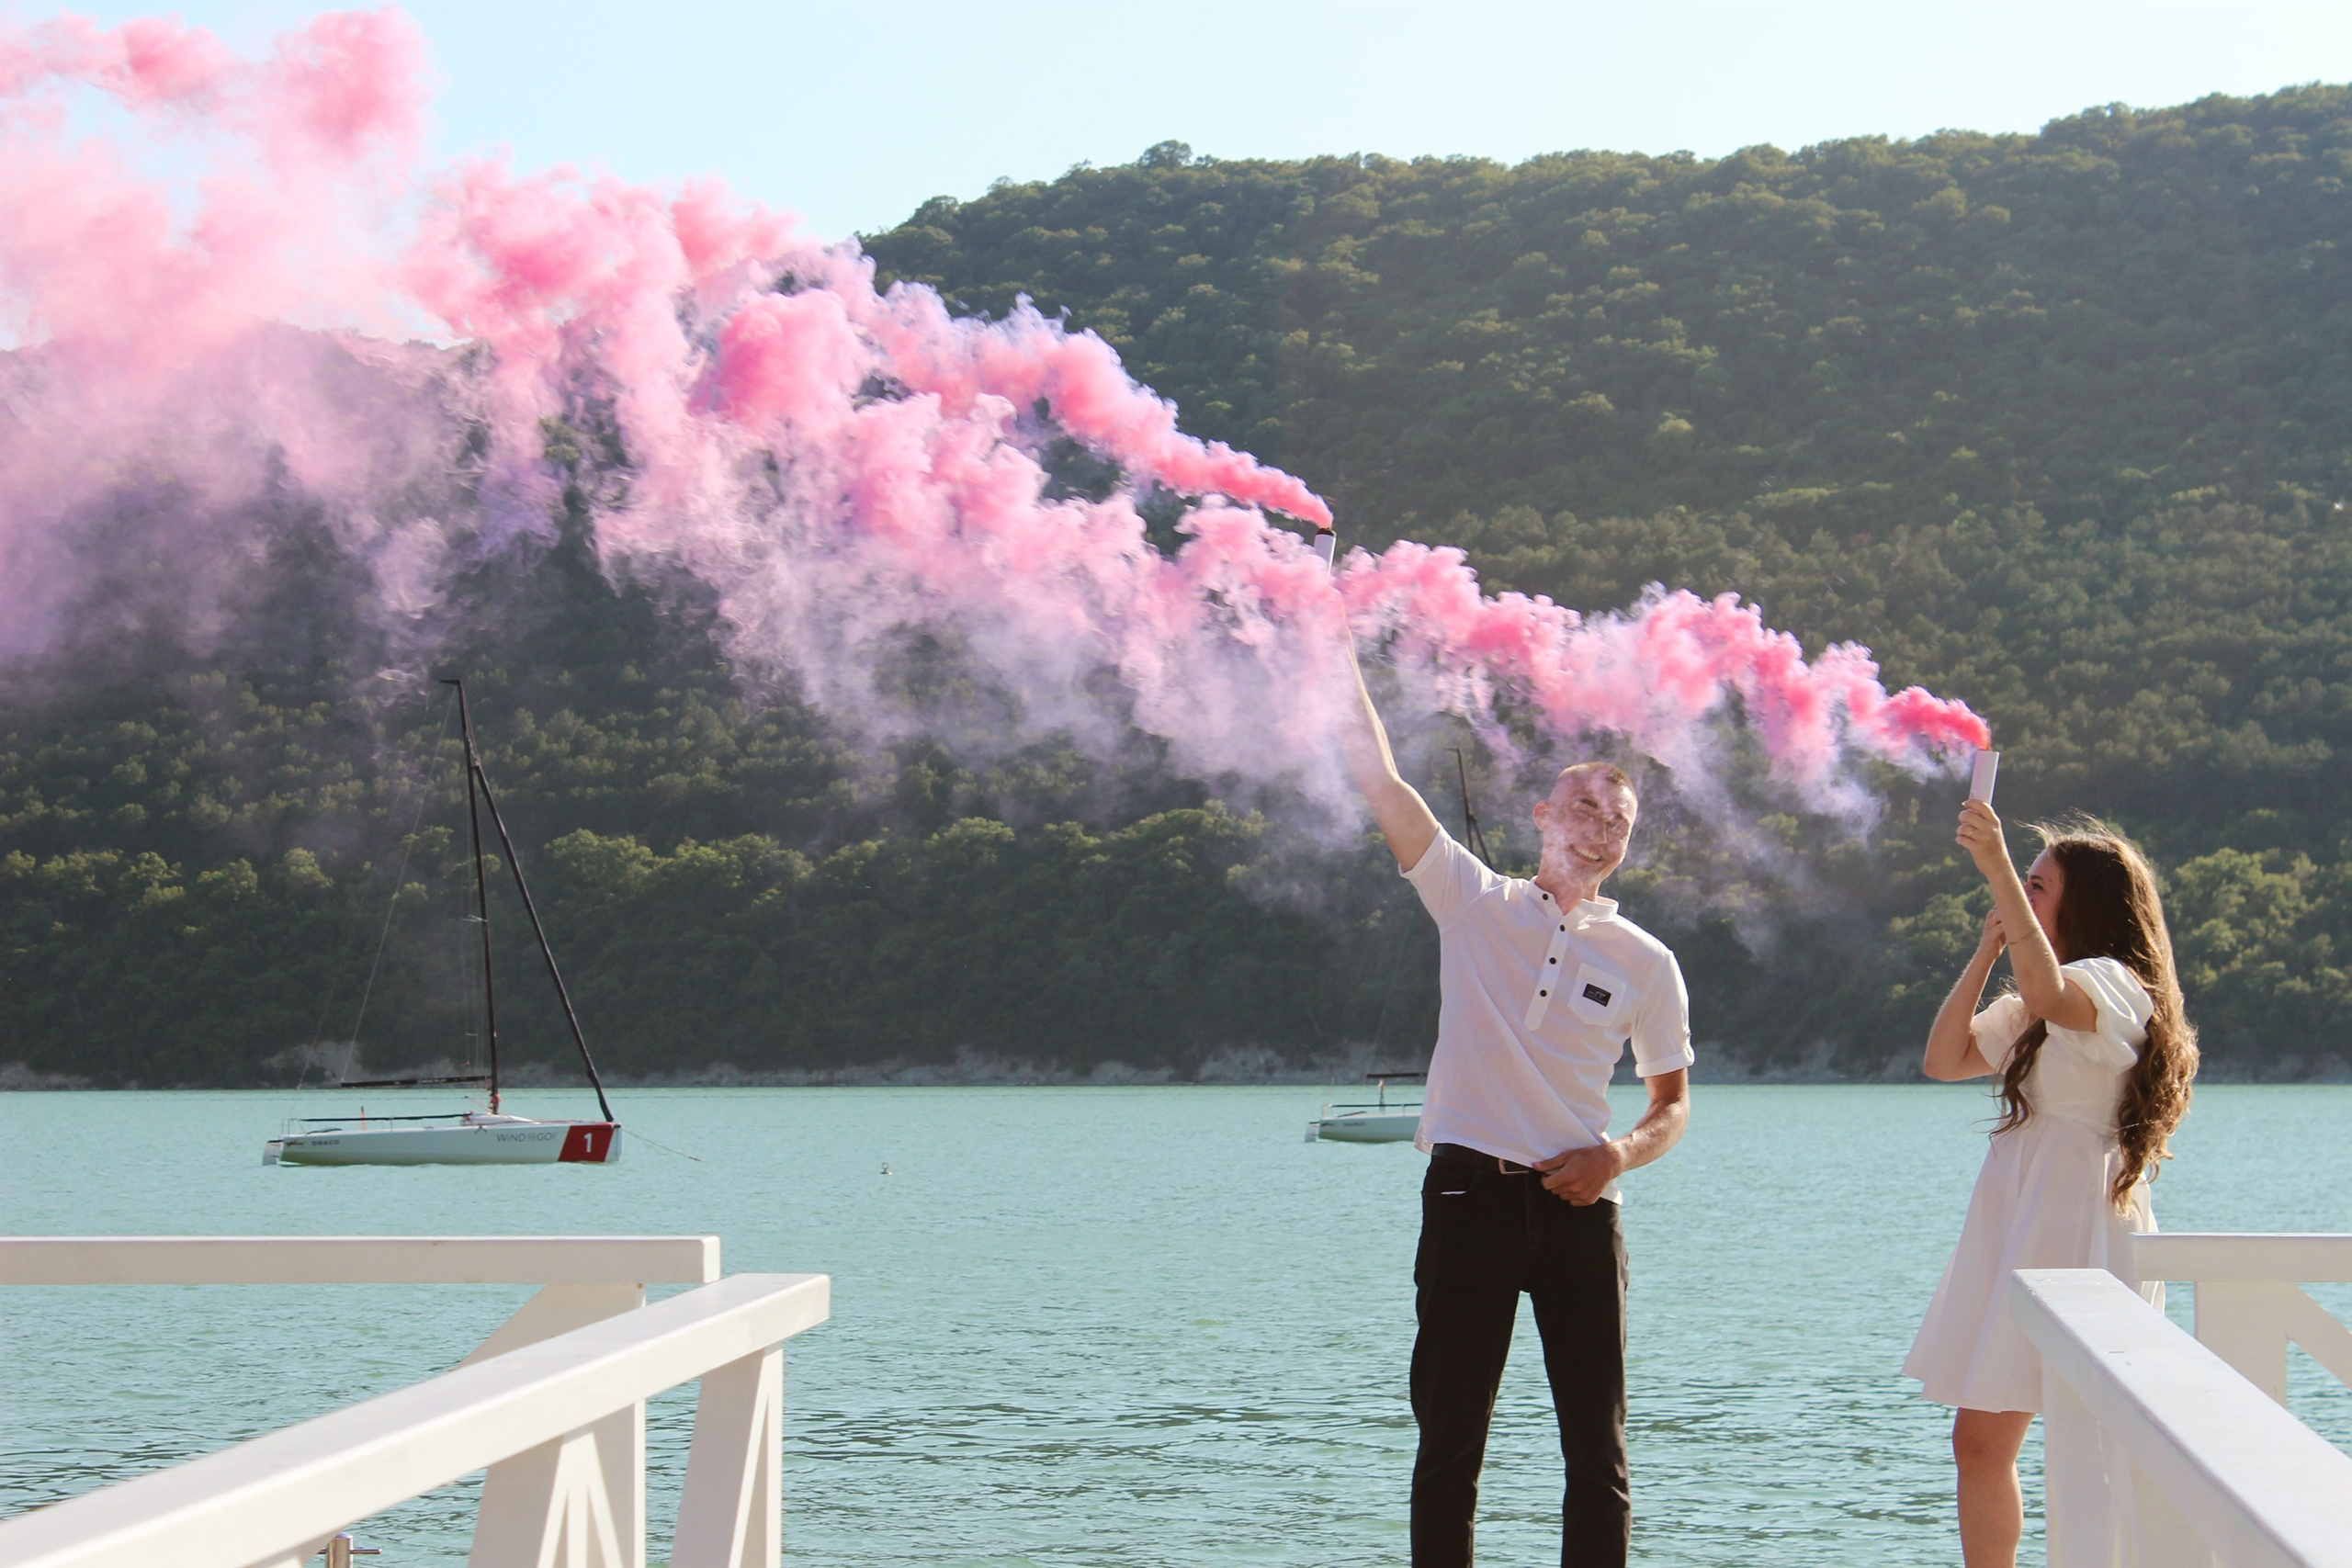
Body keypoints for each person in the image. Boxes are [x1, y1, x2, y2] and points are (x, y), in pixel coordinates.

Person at [1337, 641, 1693, 1568]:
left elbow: (1671, 1104)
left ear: (1627, 841)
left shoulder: (1647, 963)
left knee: (1597, 1452)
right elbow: (1375, 777)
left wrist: (1615, 1156)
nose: (1599, 822)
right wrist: (1332, 646)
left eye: (1616, 816)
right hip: (1467, 1199)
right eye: (1581, 804)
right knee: (1450, 1441)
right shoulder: (1470, 899)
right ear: (1539, 816)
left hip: (1582, 1210)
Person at [1906, 805, 2199, 1568]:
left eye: (2037, 886)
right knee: (1978, 1437)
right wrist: (1983, 952)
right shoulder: (2037, 1004)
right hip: (2016, 1223)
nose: (2020, 896)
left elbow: (2048, 992)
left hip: (2081, 1223)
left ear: (2086, 903)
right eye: (2023, 882)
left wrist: (1999, 865)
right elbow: (1943, 1059)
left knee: (2092, 1437)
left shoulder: (2114, 984)